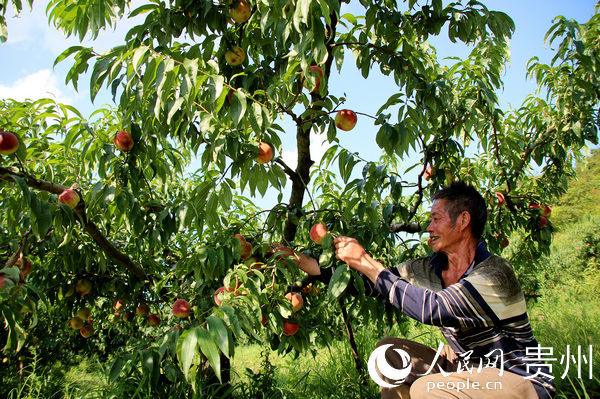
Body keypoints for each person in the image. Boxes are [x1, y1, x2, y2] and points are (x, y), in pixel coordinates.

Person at [276, 181, 555, 398]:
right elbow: (374, 285)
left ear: (463, 221)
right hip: (468, 368)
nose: (428, 228)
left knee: (426, 391)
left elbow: (435, 308)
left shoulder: (494, 273)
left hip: (519, 380)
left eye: (436, 219)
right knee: (387, 354)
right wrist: (301, 261)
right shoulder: (430, 267)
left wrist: (365, 261)